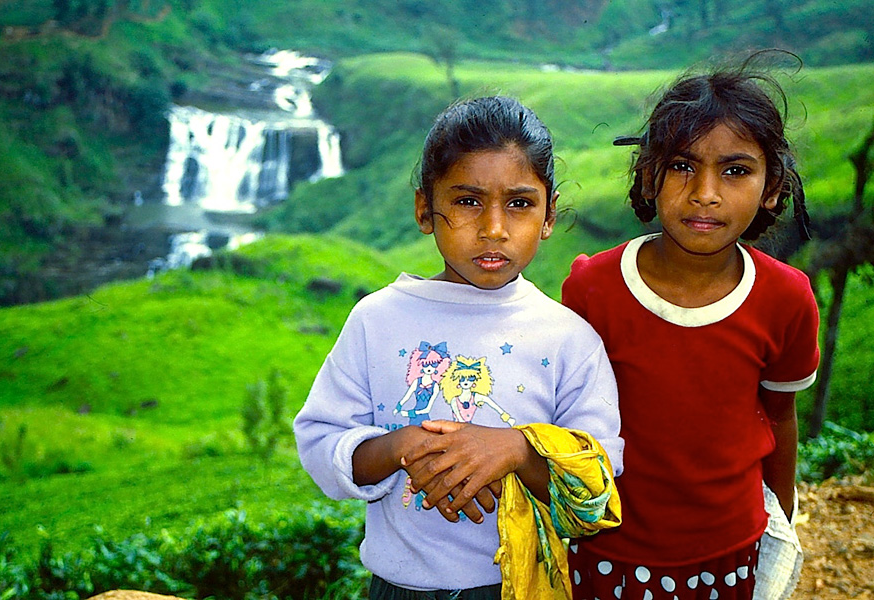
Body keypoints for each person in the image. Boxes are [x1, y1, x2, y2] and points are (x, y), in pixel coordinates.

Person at [294, 96, 624, 600]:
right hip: (397, 589)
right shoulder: (376, 320)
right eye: (467, 201)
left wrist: (515, 452)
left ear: (549, 215)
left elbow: (595, 490)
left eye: (519, 203)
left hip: (517, 588)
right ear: (426, 209)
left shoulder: (567, 339)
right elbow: (321, 441)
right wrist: (402, 448)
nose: (494, 227)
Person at [562, 59, 820, 600]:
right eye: (682, 166)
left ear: (772, 188)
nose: (705, 192)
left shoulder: (785, 297)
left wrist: (783, 520)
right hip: (609, 547)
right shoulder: (594, 289)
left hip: (731, 550)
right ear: (649, 174)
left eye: (735, 170)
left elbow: (780, 415)